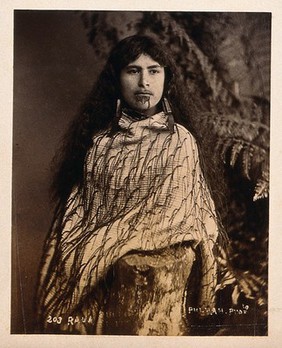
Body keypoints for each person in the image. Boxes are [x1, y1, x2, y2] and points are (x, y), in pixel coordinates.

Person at [37, 35, 231, 335]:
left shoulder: (181, 142)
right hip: (101, 276)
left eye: (154, 71)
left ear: (167, 79)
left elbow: (178, 216)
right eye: (133, 70)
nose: (144, 82)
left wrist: (115, 239)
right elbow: (78, 216)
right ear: (117, 78)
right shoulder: (99, 144)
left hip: (157, 285)